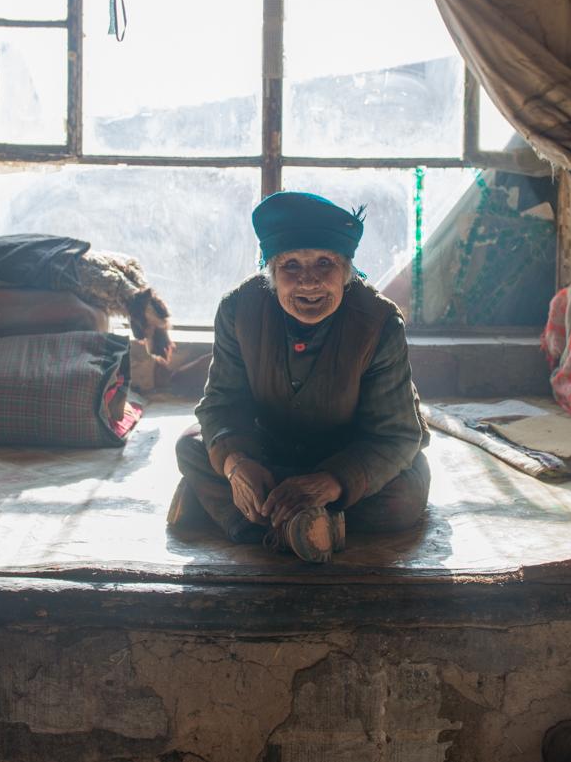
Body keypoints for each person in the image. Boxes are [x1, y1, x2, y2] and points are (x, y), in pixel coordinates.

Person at [170, 191, 430, 563]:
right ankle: (305, 528)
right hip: (270, 450)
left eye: (325, 263)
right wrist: (238, 465)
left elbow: (398, 435)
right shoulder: (238, 310)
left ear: (346, 272)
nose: (309, 282)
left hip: (347, 455)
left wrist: (333, 482)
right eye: (291, 265)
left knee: (404, 499)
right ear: (271, 273)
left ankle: (232, 513)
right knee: (191, 447)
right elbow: (222, 406)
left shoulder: (379, 322)